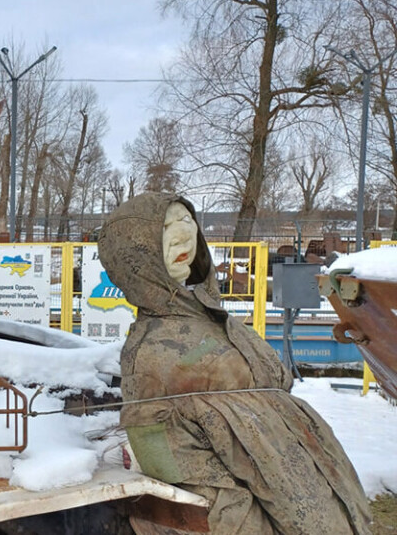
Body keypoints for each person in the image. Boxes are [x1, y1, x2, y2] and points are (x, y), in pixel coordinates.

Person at [98, 193, 371, 534]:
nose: (183, 234)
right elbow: (185, 485)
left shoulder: (215, 318)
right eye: (166, 227)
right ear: (134, 252)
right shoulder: (152, 354)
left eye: (186, 221)